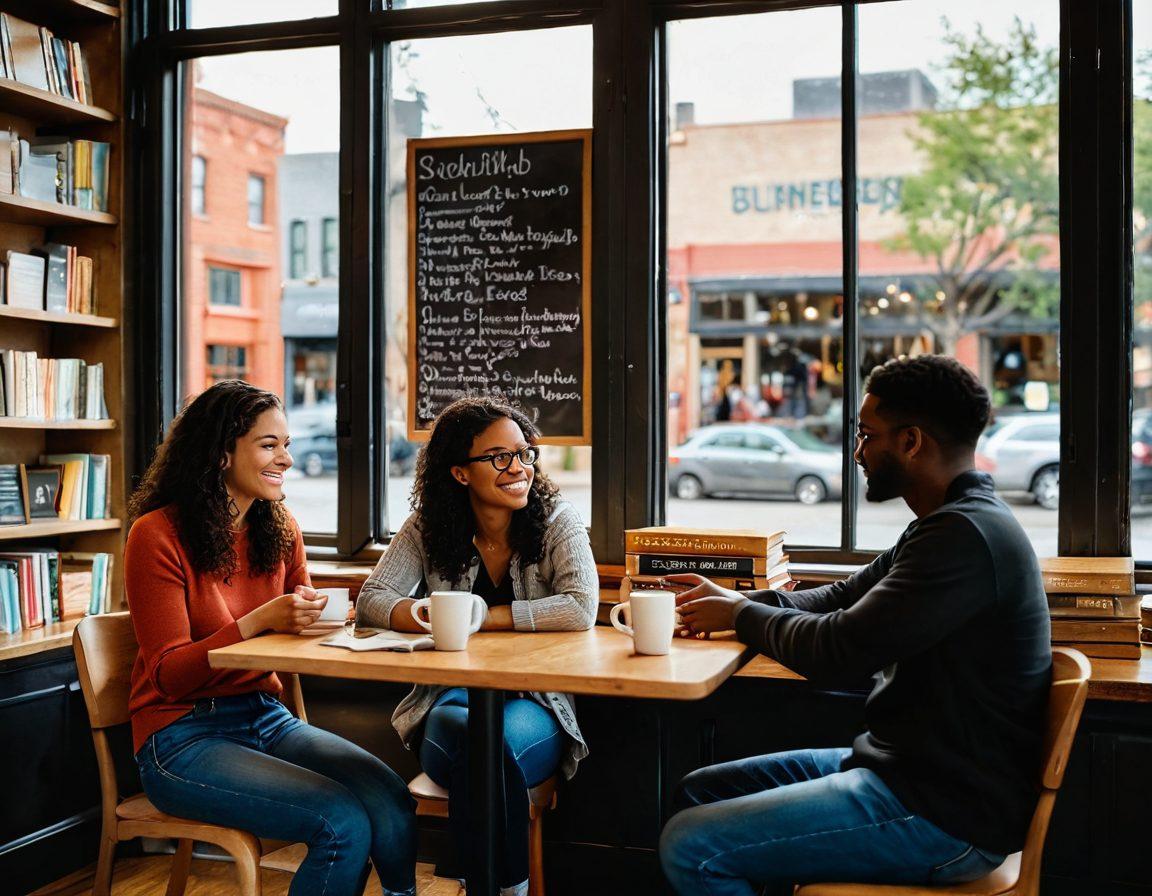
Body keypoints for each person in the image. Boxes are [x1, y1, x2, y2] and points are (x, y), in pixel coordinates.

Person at [659, 355, 1051, 895]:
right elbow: (844, 596)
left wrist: (743, 616)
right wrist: (742, 600)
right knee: (698, 793)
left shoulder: (965, 537)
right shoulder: (946, 523)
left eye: (868, 435)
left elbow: (839, 648)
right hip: (903, 773)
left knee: (691, 844)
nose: (858, 451)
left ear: (911, 442)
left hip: (944, 815)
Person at [125, 380, 417, 896]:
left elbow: (299, 629)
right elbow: (168, 676)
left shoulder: (278, 527)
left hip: (264, 715)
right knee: (340, 822)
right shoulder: (156, 535)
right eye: (269, 444)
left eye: (287, 444)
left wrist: (327, 624)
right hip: (181, 736)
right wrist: (260, 621)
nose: (285, 457)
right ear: (220, 453)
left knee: (389, 797)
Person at [356, 395, 598, 896]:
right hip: (449, 700)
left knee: (489, 748)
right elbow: (373, 598)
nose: (519, 468)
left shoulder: (557, 520)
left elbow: (580, 607)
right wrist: (422, 614)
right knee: (472, 738)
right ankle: (506, 888)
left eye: (524, 453)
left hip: (535, 704)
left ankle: (480, 884)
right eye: (499, 457)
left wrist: (480, 617)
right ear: (461, 473)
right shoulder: (427, 527)